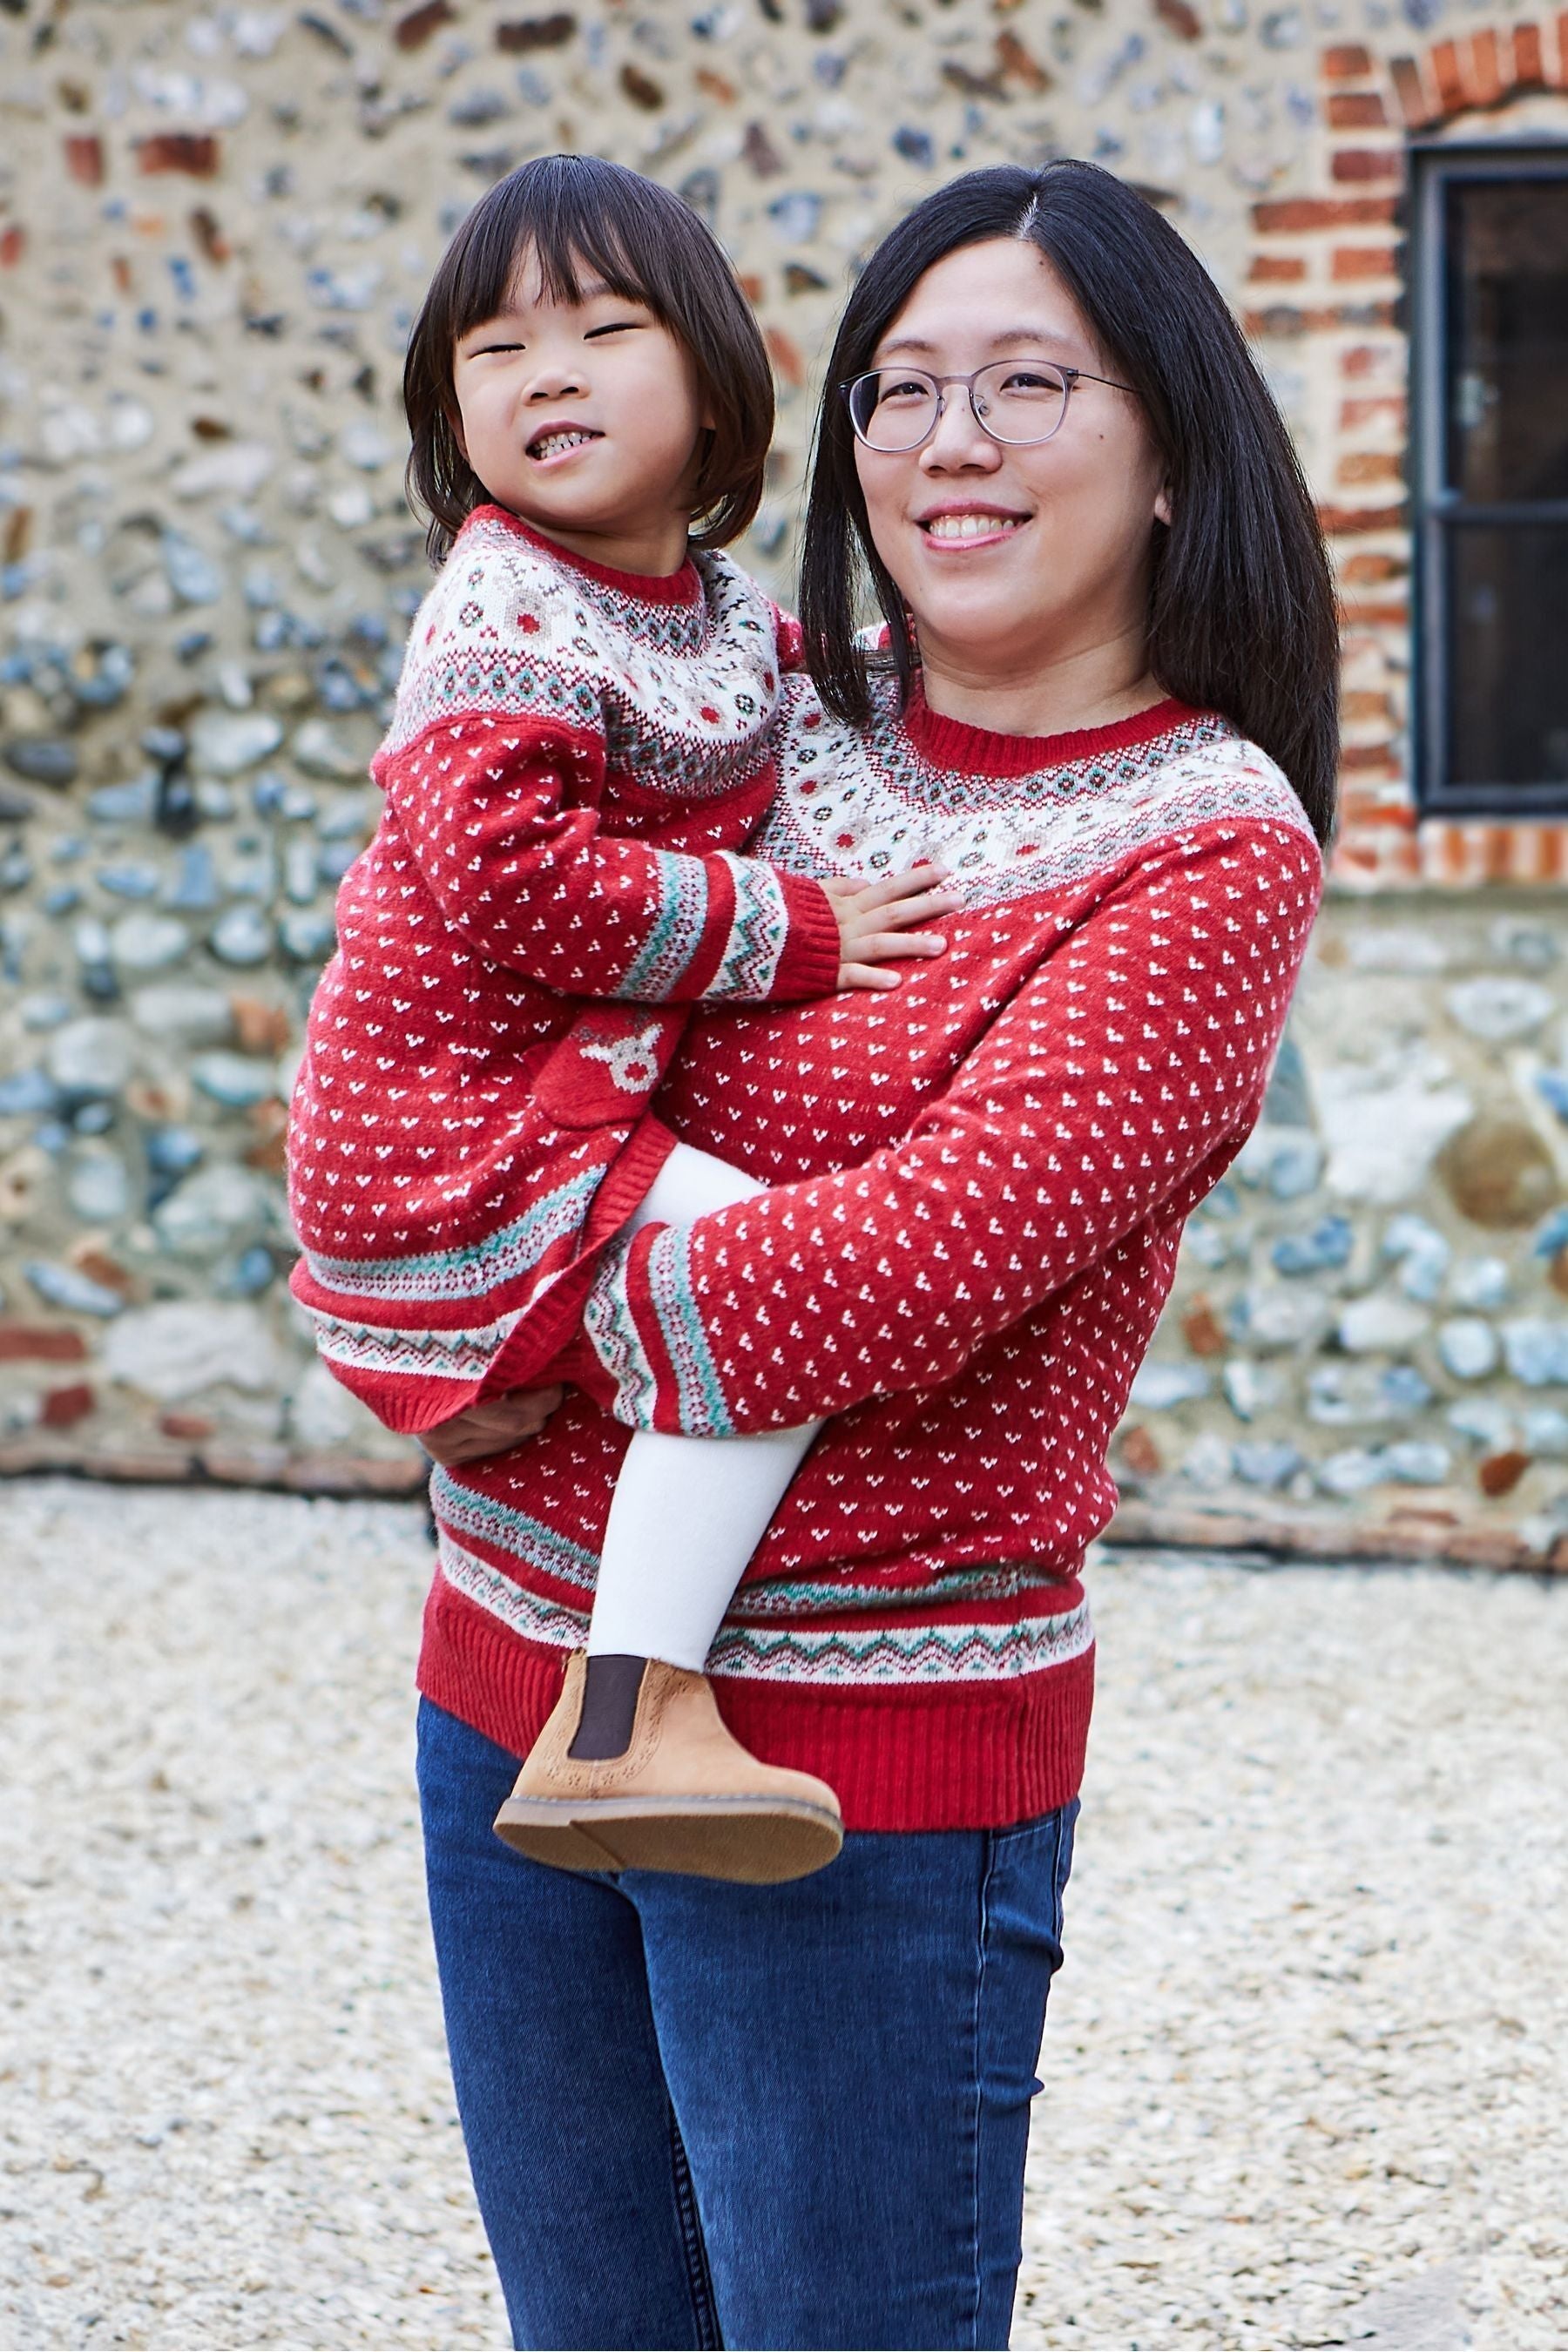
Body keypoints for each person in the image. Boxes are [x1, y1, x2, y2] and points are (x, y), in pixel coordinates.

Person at [415, 158, 1339, 2350]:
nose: (950, 441)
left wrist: (478, 1278)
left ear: (1174, 442)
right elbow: (444, 987)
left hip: (859, 1773)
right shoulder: (751, 710)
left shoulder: (1208, 851)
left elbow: (866, 1286)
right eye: (901, 387)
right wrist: (424, 1216)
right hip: (507, 1676)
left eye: (1032, 382)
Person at [287, 156, 958, 1880]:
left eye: (603, 327)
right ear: (451, 413)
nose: (549, 373)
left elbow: (823, 696)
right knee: (774, 1288)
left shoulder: (721, 615)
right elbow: (510, 876)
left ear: (720, 390)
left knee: (712, 1310)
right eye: (494, 352)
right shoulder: (502, 603)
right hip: (446, 1113)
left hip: (546, 1103)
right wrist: (794, 931)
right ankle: (630, 1710)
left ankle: (610, 1658)